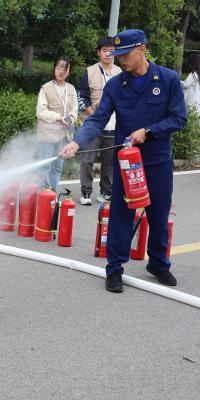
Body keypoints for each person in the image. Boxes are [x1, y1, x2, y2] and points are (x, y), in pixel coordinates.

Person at [61, 29, 187, 293]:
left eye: (126, 54)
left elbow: (179, 118)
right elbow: (98, 118)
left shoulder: (168, 79)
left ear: (142, 49)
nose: (121, 60)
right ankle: (115, 268)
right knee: (121, 213)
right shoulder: (116, 85)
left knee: (158, 213)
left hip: (157, 161)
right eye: (118, 55)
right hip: (127, 163)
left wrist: (148, 131)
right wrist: (77, 142)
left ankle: (159, 264)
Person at [77, 37, 122, 205]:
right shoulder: (89, 72)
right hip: (93, 125)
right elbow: (82, 98)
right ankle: (86, 192)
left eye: (111, 50)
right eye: (104, 50)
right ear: (98, 52)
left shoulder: (121, 72)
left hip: (114, 125)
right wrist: (95, 116)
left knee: (109, 163)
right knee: (87, 160)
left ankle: (106, 192)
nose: (108, 54)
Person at [36, 57, 78, 193]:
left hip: (64, 135)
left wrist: (71, 117)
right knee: (45, 166)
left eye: (64, 69)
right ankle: (43, 193)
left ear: (69, 72)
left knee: (57, 167)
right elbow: (41, 112)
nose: (61, 71)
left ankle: (52, 193)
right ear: (54, 68)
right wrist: (59, 117)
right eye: (58, 67)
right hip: (48, 134)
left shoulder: (71, 88)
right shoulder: (46, 88)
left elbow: (75, 108)